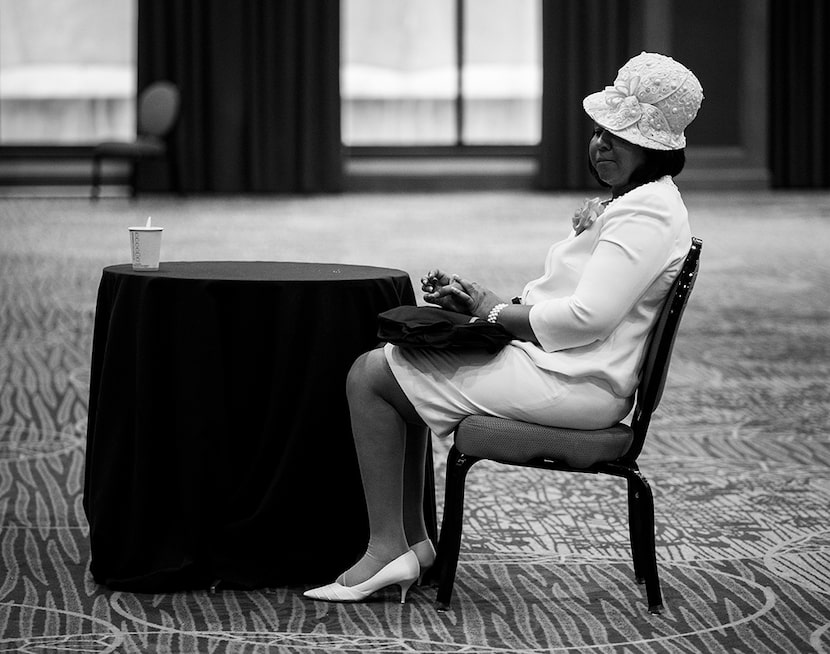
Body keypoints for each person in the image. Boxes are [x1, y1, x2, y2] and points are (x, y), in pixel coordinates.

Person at [303, 52, 704, 604]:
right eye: (598, 131)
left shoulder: (647, 214)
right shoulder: (643, 201)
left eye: (620, 136)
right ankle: (414, 542)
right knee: (408, 355)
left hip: (579, 384)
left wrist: (489, 317)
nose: (601, 144)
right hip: (572, 367)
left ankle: (386, 548)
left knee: (372, 374)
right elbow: (570, 304)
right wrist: (485, 303)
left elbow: (585, 319)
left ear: (658, 148)